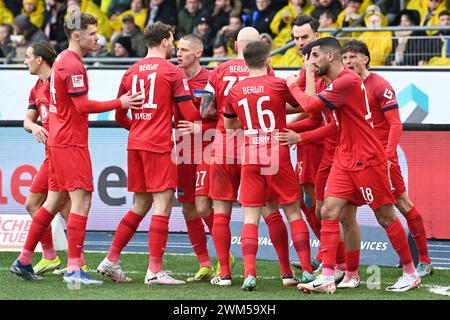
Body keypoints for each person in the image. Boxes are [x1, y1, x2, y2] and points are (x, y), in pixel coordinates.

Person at [10, 12, 143, 285]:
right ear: (77, 35)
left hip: (59, 140)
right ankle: (73, 269)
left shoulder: (62, 60)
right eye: (93, 33)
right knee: (81, 201)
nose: (98, 38)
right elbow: (82, 106)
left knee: (53, 201)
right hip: (70, 141)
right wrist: (120, 103)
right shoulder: (72, 65)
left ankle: (24, 259)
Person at [285, 37, 420, 294]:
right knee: (329, 211)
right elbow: (314, 109)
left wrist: (293, 84)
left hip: (368, 159)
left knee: (385, 216)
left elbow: (310, 104)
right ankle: (328, 276)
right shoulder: (336, 82)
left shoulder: (348, 80)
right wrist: (307, 78)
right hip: (344, 158)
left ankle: (411, 272)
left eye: (314, 56)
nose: (310, 62)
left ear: (329, 57)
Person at [96, 21, 203, 285]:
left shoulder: (130, 72)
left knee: (141, 204)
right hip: (158, 144)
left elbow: (120, 114)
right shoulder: (172, 72)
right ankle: (155, 270)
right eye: (172, 40)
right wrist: (205, 120)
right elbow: (189, 114)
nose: (174, 45)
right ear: (166, 40)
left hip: (135, 143)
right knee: (163, 203)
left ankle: (111, 259)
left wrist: (139, 127)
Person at [201, 27, 308, 287]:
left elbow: (207, 110)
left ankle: (232, 273)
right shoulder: (277, 82)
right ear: (267, 57)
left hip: (235, 150)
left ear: (237, 45)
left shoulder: (222, 73)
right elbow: (305, 104)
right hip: (274, 152)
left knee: (227, 214)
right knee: (285, 212)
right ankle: (294, 271)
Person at [341, 39, 433, 281]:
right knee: (342, 210)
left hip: (379, 158)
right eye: (345, 58)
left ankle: (423, 260)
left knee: (401, 203)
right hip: (356, 159)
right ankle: (347, 271)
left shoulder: (379, 85)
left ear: (365, 59)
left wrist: (388, 154)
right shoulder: (345, 87)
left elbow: (395, 123)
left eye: (353, 57)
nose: (348, 62)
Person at [22, 41, 69, 275]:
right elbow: (27, 121)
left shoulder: (58, 83)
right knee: (47, 205)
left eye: (28, 56)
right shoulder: (36, 88)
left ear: (39, 59)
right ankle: (53, 257)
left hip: (63, 153)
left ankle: (71, 261)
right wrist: (35, 128)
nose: (25, 61)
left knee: (66, 208)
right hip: (51, 155)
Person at [174, 34, 216, 282]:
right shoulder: (173, 79)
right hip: (181, 149)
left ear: (198, 53)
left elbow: (227, 116)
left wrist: (203, 129)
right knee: (188, 206)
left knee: (203, 206)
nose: (179, 54)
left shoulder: (211, 79)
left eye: (185, 50)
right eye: (177, 49)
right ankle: (204, 263)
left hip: (208, 149)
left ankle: (224, 256)